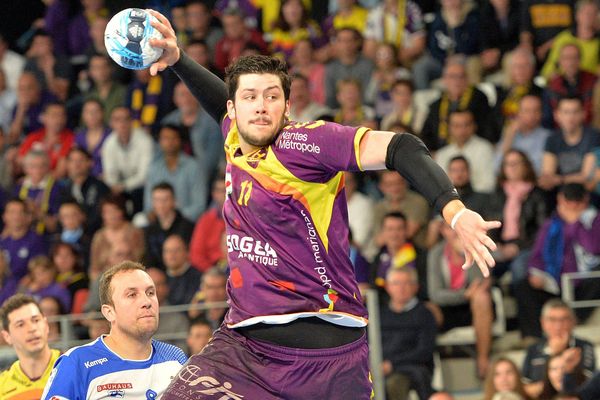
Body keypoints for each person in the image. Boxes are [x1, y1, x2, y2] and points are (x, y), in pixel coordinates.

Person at [148, 11, 500, 398]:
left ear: (286, 107)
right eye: (249, 97)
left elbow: (403, 148)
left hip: (325, 350)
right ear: (233, 110)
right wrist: (179, 60)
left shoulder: (307, 144)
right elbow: (217, 99)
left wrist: (455, 210)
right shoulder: (233, 131)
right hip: (244, 344)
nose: (261, 106)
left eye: (272, 96)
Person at [42, 261, 188, 399]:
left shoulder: (175, 357)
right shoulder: (77, 362)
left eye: (150, 293)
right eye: (132, 295)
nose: (146, 302)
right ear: (109, 312)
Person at [380, 267, 437, 400]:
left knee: (394, 384)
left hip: (412, 368)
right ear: (388, 287)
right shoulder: (379, 314)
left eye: (407, 283)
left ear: (416, 287)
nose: (401, 288)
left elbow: (424, 351)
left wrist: (392, 364)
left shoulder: (425, 314)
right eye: (396, 283)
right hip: (379, 367)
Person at [522, 299, 595, 398]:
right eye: (552, 320)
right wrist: (554, 353)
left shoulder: (584, 347)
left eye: (564, 319)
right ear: (543, 323)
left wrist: (560, 351)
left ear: (573, 322)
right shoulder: (533, 350)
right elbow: (525, 388)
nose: (558, 326)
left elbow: (587, 384)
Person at [0, 294, 60, 399]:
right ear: (7, 336)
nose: (32, 328)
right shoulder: (2, 386)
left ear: (46, 325)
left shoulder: (74, 367)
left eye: (36, 320)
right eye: (20, 324)